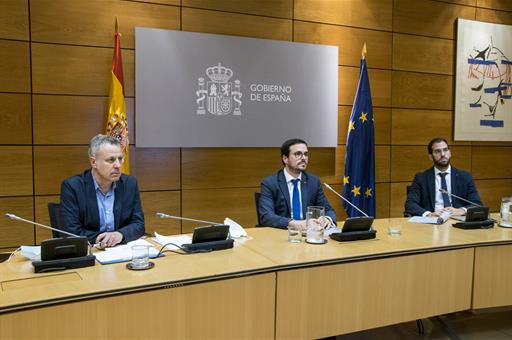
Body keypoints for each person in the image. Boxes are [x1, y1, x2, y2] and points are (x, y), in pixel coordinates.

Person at [60, 134, 145, 247]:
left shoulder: (130, 184)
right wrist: (108, 238)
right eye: (111, 160)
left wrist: (120, 234)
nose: (118, 165)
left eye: (120, 159)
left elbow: (139, 224)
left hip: (122, 250)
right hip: (90, 251)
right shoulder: (73, 187)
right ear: (94, 162)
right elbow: (71, 232)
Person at [258, 138, 336, 230]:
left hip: (309, 234)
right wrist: (295, 224)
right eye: (298, 154)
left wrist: (327, 219)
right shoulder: (270, 183)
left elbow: (328, 210)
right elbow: (266, 216)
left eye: (306, 154)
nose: (303, 158)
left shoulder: (313, 181)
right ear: (285, 159)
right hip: (282, 234)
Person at [405, 137, 482, 217]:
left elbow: (477, 203)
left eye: (445, 150)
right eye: (437, 151)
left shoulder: (464, 177)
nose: (442, 154)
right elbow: (410, 204)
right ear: (431, 157)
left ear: (450, 153)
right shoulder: (421, 178)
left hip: (457, 221)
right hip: (432, 222)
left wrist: (462, 210)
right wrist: (429, 214)